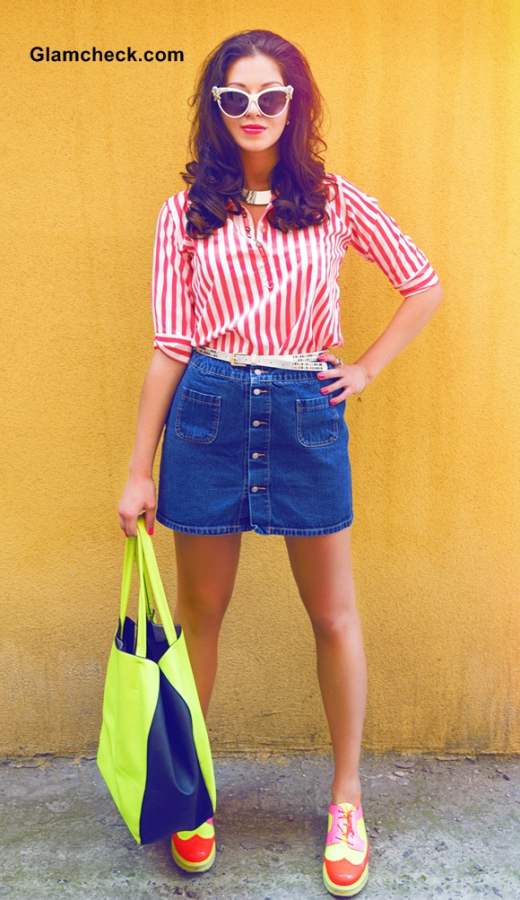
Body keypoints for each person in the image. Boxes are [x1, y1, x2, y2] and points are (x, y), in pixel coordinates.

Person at [117, 28, 443, 898]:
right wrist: (137, 468)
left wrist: (366, 366)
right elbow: (168, 346)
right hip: (210, 410)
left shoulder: (334, 200)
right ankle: (190, 793)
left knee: (333, 614)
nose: (253, 112)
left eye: (270, 96)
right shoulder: (184, 211)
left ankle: (346, 798)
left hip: (306, 411)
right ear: (213, 109)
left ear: (295, 104)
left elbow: (423, 282)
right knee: (201, 612)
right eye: (235, 98)